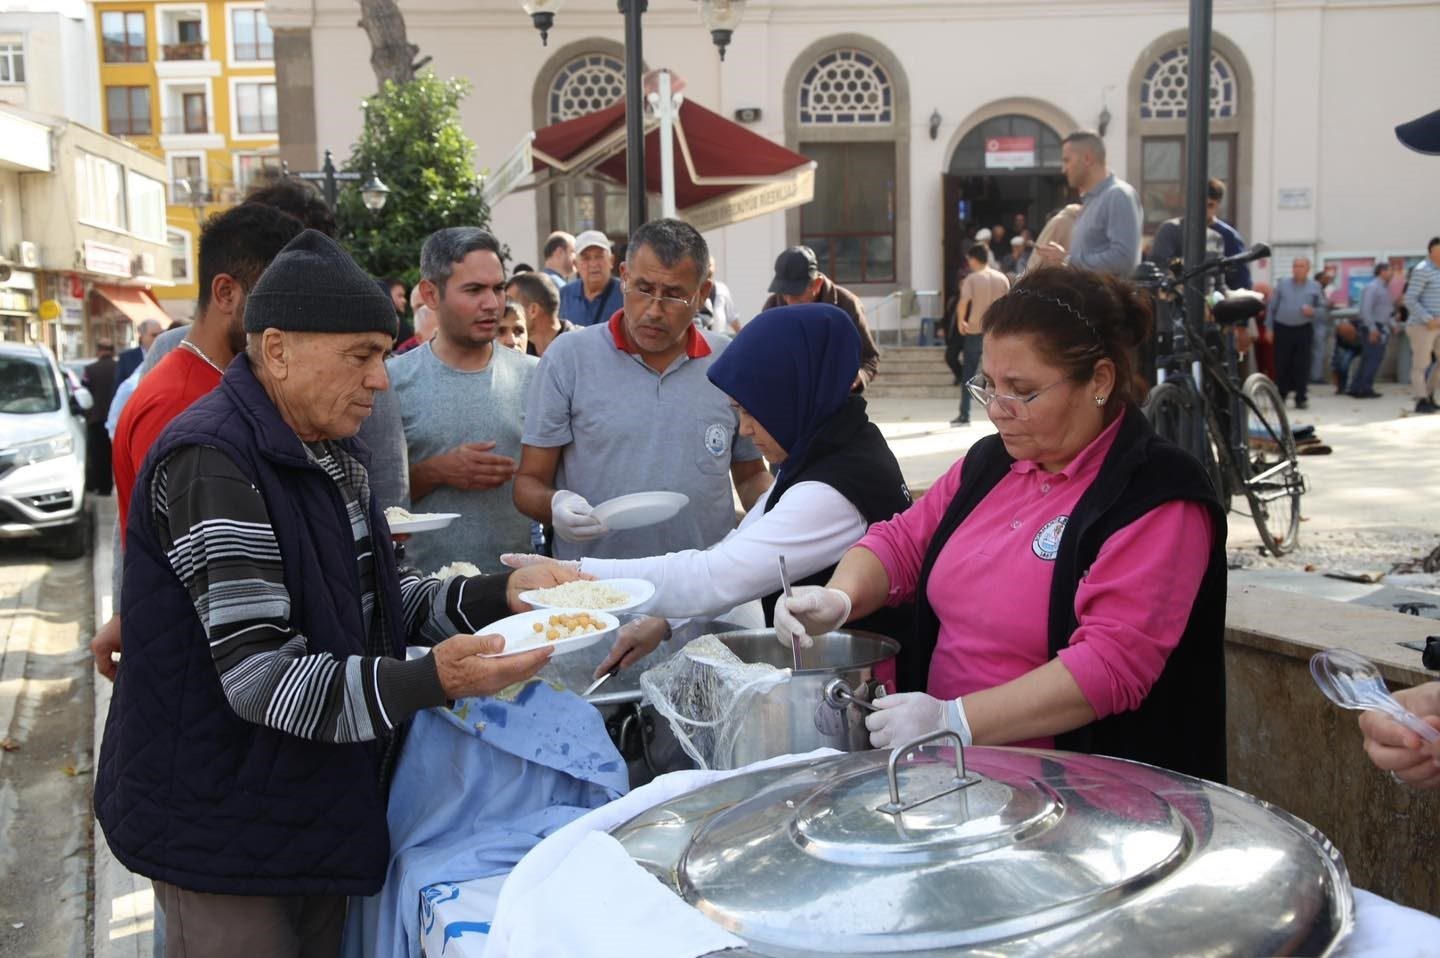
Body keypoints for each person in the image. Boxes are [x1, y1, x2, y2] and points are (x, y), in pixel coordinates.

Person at [93, 229, 572, 956]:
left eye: (383, 354)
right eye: (362, 356)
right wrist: (431, 678)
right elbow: (260, 679)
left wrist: (505, 594)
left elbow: (383, 595)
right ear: (278, 350)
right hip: (222, 819)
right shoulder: (214, 459)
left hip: (306, 801)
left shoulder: (326, 449)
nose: (381, 380)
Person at [774, 266, 1228, 783]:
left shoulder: (1156, 492)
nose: (996, 410)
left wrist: (955, 720)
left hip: (1086, 795)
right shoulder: (991, 463)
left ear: (1099, 381)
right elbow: (900, 542)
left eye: (1022, 390)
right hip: (950, 775)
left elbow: (1109, 666)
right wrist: (840, 598)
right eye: (988, 385)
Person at [512, 304, 913, 676]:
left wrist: (575, 576)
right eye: (738, 411)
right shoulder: (828, 448)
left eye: (753, 411)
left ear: (796, 397)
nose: (745, 429)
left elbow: (715, 575)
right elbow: (740, 545)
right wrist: (665, 619)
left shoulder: (835, 486)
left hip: (867, 687)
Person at [514, 217, 772, 562]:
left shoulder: (727, 361)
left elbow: (750, 473)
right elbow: (528, 482)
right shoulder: (569, 358)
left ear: (703, 293)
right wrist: (555, 506)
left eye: (674, 296)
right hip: (595, 588)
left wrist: (783, 509)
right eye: (644, 289)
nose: (654, 309)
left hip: (703, 584)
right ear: (624, 277)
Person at [391, 227, 538, 575]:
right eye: (473, 290)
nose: (491, 304)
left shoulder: (537, 376)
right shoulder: (391, 382)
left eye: (498, 289)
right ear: (430, 293)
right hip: (423, 598)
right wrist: (436, 471)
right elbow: (372, 503)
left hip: (517, 598)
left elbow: (554, 486)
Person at [761, 245, 881, 391]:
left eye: (797, 296)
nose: (789, 302)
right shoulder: (773, 305)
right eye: (785, 294)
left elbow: (870, 358)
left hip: (837, 399)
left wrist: (859, 376)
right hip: (788, 398)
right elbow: (760, 354)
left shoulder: (847, 305)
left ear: (817, 284)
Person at [1032, 131, 1143, 277]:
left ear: (1087, 159)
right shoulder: (1092, 201)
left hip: (1106, 299)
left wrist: (1067, 260)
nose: (1063, 169)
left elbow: (1123, 259)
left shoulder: (1118, 195)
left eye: (1067, 160)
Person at [951, 243, 1010, 426]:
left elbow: (963, 302)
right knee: (1002, 376)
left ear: (973, 259)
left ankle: (964, 413)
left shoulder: (972, 278)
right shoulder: (1002, 278)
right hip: (999, 331)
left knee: (968, 373)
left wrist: (962, 321)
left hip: (976, 330)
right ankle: (1004, 412)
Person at [1269, 257, 1326, 410]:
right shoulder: (1282, 284)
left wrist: (1313, 311)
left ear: (1308, 269)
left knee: (1302, 364)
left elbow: (1322, 310)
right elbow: (1272, 307)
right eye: (1295, 266)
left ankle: (1301, 397)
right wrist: (1269, 328)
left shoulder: (1315, 287)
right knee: (1282, 363)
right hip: (1283, 328)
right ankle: (1281, 395)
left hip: (1303, 329)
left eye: (1301, 266)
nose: (1297, 269)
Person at [1402, 237, 1440, 414]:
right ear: (1430, 252)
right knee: (1421, 365)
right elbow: (1409, 299)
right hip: (1422, 326)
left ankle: (1430, 394)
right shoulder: (1422, 270)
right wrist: (1427, 318)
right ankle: (1421, 399)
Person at [558, 230, 623, 328]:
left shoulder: (625, 293)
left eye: (599, 256)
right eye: (586, 258)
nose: (593, 264)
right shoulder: (564, 295)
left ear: (611, 261)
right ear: (575, 264)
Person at [1348, 263, 1393, 398]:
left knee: (1369, 359)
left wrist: (1391, 323)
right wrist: (1372, 329)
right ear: (1382, 272)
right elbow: (1366, 310)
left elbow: (1384, 310)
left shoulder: (1383, 288)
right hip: (1372, 327)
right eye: (1390, 270)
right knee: (1372, 358)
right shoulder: (1373, 287)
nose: (1392, 274)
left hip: (1380, 326)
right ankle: (1364, 388)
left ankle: (1357, 387)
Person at [81, 338, 119, 495]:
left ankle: (103, 488)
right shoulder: (119, 367)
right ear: (112, 351)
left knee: (99, 456)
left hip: (97, 419)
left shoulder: (90, 369)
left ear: (98, 351)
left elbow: (83, 393)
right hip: (117, 419)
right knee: (116, 456)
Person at [506, 271, 572, 358]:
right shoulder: (519, 349)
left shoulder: (579, 348)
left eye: (511, 303)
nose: (504, 310)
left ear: (533, 310)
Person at [116, 318, 162, 383]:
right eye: (154, 335)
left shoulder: (167, 354)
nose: (159, 338)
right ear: (142, 335)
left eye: (161, 335)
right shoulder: (126, 358)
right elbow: (119, 387)